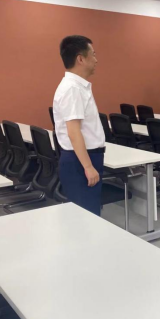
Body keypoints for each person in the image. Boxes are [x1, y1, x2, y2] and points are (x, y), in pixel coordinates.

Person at [53, 35, 106, 216]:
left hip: (83, 158)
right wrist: (88, 167)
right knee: (87, 216)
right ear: (81, 59)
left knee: (87, 214)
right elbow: (73, 132)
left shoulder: (77, 87)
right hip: (81, 160)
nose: (96, 60)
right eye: (93, 54)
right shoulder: (73, 89)